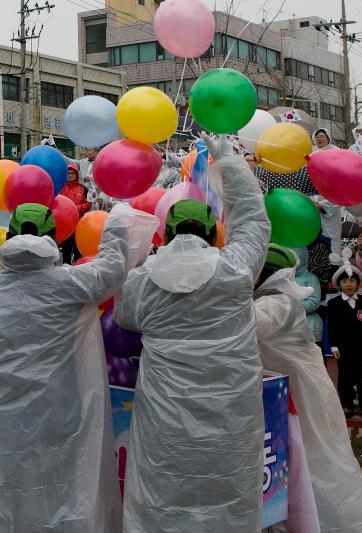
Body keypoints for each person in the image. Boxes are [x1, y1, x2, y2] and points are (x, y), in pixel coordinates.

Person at [117, 133, 271, 533]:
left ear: (165, 233)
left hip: (164, 412)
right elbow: (253, 220)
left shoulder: (142, 280)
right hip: (231, 409)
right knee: (230, 488)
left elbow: (126, 319)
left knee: (164, 490)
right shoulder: (236, 270)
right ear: (211, 233)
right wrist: (228, 163)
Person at [0, 202, 152, 533]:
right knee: (65, 493)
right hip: (61, 413)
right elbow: (114, 267)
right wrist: (118, 219)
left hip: (4, 418)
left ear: (10, 235)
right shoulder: (72, 283)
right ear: (54, 238)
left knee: (12, 493)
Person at [254, 246, 362, 533]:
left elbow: (243, 324)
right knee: (288, 457)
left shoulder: (277, 302)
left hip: (300, 392)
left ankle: (321, 522)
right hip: (286, 391)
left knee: (310, 457)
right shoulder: (271, 298)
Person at [328, 266, 362, 418]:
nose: (348, 284)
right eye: (344, 281)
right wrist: (333, 345)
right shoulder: (334, 303)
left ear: (358, 283)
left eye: (352, 281)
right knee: (345, 376)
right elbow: (333, 326)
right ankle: (347, 404)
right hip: (343, 347)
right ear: (338, 285)